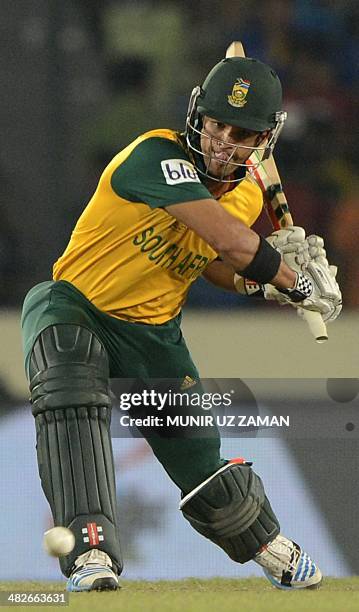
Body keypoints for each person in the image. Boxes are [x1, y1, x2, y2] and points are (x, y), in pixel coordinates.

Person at [21, 56, 341, 592]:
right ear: (198, 115)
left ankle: (267, 544)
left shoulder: (244, 194)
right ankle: (90, 552)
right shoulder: (154, 156)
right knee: (70, 385)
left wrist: (258, 282)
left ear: (264, 138)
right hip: (77, 305)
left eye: (240, 133)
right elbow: (230, 242)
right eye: (216, 124)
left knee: (199, 457)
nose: (221, 140)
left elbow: (210, 260)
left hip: (154, 334)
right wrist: (297, 281)